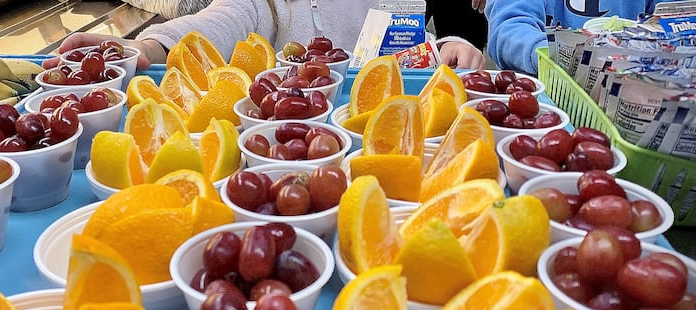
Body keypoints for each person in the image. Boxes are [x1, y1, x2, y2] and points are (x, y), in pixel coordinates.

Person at [44, 0, 486, 70]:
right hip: (291, 148)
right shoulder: (268, 4)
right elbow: (218, 22)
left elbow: (413, 51)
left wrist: (452, 48)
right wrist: (145, 46)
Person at [485, 0, 675, 75]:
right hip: (543, 96)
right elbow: (507, 29)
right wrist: (557, 55)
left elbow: (675, 19)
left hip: (631, 89)